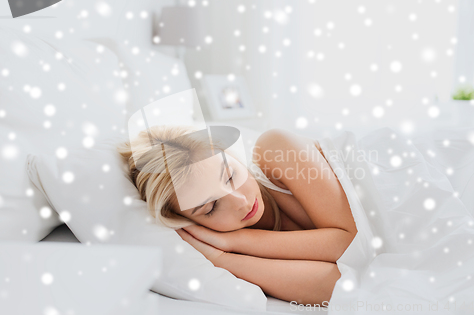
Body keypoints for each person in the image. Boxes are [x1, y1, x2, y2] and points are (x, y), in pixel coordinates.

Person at [116, 125, 357, 306]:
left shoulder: (276, 149)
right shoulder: (240, 254)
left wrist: (234, 241)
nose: (240, 201)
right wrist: (222, 260)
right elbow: (340, 286)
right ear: (190, 222)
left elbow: (352, 244)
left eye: (230, 175)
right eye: (210, 208)